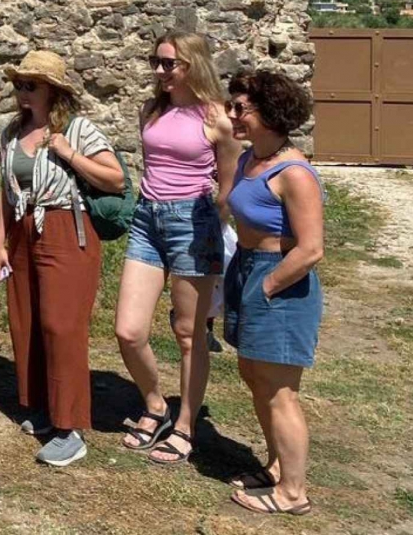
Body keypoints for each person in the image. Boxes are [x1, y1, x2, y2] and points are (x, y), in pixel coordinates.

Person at [0, 49, 125, 467]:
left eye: (31, 85)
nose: (22, 92)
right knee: (25, 318)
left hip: (66, 228)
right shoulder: (12, 132)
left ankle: (70, 428)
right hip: (21, 230)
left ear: (53, 91)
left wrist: (68, 154)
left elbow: (115, 178)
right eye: (19, 84)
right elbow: (4, 190)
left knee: (61, 324)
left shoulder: (78, 129)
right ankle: (43, 408)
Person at [115, 33, 240, 464]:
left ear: (192, 64)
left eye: (169, 64)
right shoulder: (151, 109)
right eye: (156, 62)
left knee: (188, 334)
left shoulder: (218, 117)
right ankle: (155, 404)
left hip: (194, 221)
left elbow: (228, 186)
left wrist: (212, 224)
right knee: (128, 330)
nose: (160, 71)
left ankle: (185, 427)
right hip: (148, 219)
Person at [222, 70, 322, 517]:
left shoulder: (294, 172)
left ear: (270, 113)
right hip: (246, 268)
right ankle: (278, 465)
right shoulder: (249, 159)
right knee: (253, 372)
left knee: (281, 389)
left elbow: (311, 248)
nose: (232, 114)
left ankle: (293, 492)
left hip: (278, 279)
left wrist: (266, 286)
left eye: (241, 108)